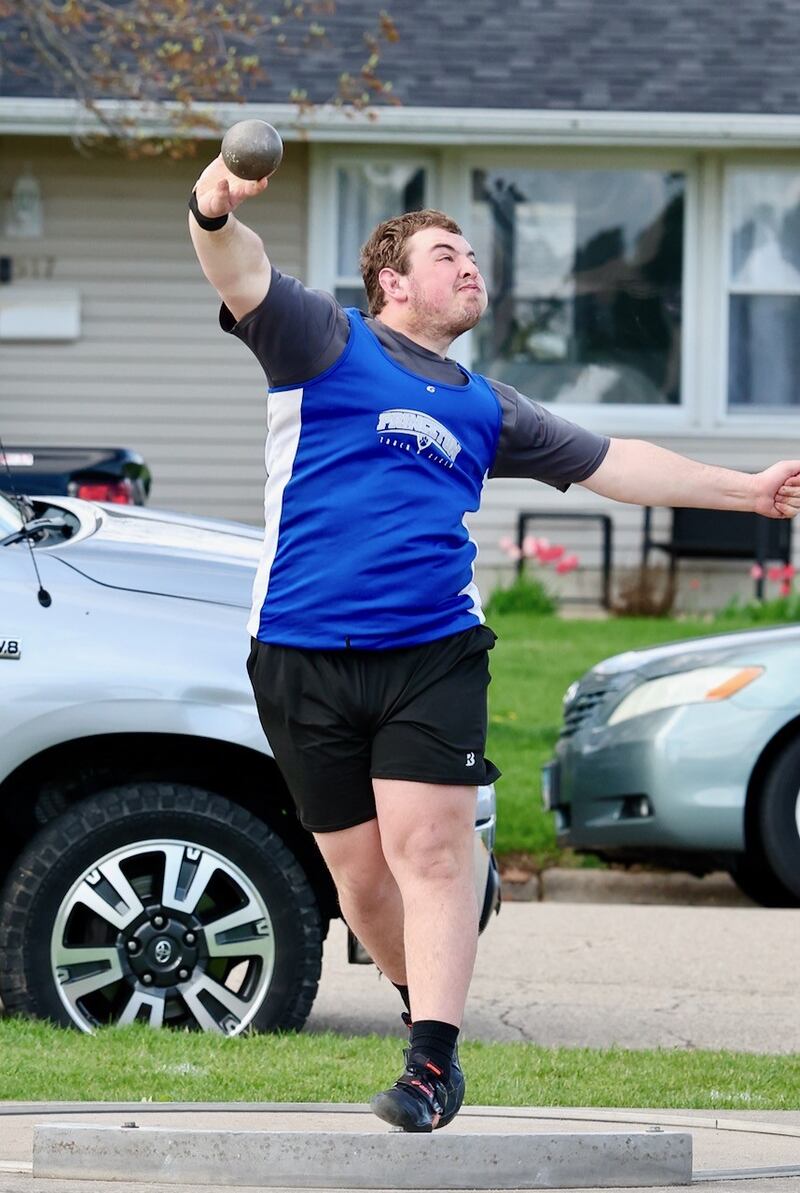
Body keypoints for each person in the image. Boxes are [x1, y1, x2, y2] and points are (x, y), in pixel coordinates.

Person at [188, 156, 800, 1132]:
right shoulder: (323, 339)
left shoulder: (488, 404)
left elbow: (617, 463)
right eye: (447, 254)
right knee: (360, 880)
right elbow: (239, 268)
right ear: (391, 280)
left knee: (430, 850)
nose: (471, 265)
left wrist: (748, 489)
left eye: (474, 254)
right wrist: (212, 205)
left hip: (432, 649)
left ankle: (432, 1060)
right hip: (300, 650)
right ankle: (419, 997)